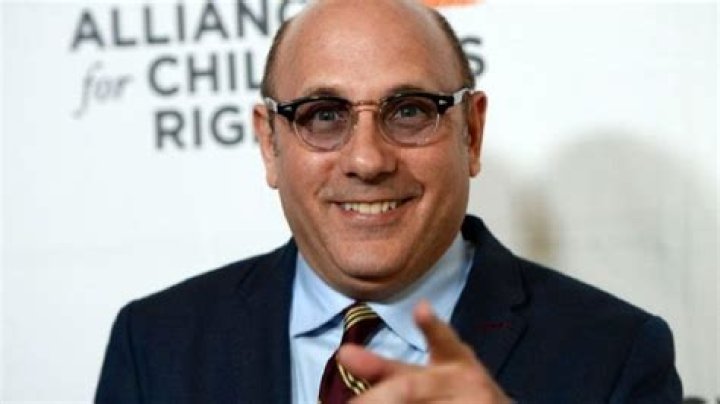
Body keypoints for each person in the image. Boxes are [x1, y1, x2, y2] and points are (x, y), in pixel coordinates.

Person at [95, 0, 682, 402]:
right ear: (269, 144)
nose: (368, 160)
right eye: (324, 116)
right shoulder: (155, 345)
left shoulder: (616, 354)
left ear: (471, 133)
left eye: (410, 111)